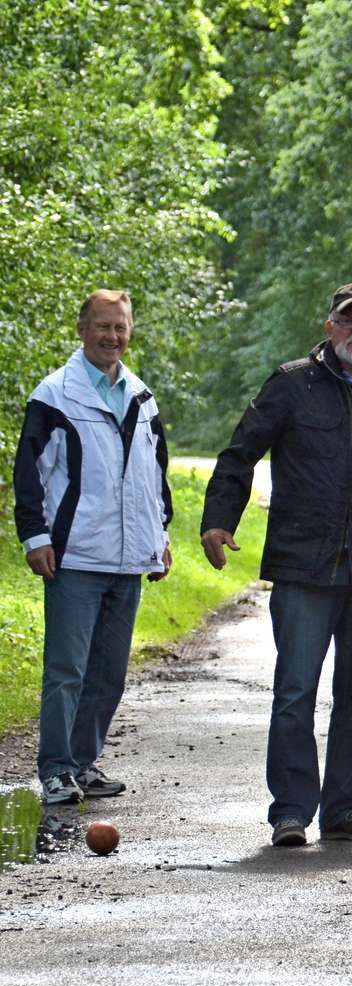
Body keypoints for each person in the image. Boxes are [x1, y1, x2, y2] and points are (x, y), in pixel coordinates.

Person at [201, 282, 352, 848]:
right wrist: (218, 520)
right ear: (329, 328)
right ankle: (290, 812)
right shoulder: (291, 385)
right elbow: (240, 454)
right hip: (304, 565)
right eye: (348, 321)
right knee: (294, 692)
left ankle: (343, 809)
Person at [13, 289, 173, 805]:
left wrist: (160, 537)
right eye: (102, 326)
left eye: (120, 327)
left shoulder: (141, 396)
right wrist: (36, 535)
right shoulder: (54, 394)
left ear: (130, 332)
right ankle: (56, 769)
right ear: (82, 330)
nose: (112, 336)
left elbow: (156, 477)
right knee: (67, 670)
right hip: (75, 555)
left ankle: (83, 763)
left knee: (109, 672)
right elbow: (28, 473)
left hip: (128, 559)